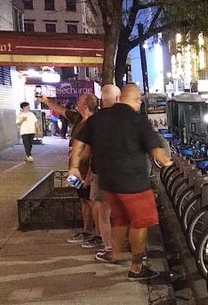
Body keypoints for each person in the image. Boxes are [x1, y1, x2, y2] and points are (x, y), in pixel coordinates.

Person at [70, 84, 173, 281]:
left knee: (122, 219)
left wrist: (74, 166)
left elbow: (79, 141)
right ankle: (136, 267)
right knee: (140, 223)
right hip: (134, 183)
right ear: (137, 100)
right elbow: (157, 151)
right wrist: (167, 162)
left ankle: (115, 251)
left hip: (108, 182)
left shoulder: (99, 118)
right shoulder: (138, 120)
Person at [40, 93, 99, 245]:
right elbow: (61, 110)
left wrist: (89, 174)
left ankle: (99, 234)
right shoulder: (78, 118)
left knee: (93, 202)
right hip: (75, 170)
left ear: (85, 106)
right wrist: (46, 101)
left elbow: (93, 151)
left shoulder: (94, 123)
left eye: (79, 101)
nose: (76, 103)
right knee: (83, 200)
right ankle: (87, 230)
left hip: (87, 171)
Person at [90, 85, 120, 262]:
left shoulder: (96, 120)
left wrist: (79, 170)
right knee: (122, 212)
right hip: (122, 173)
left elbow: (86, 149)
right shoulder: (125, 119)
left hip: (101, 173)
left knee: (104, 213)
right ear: (118, 99)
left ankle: (109, 249)